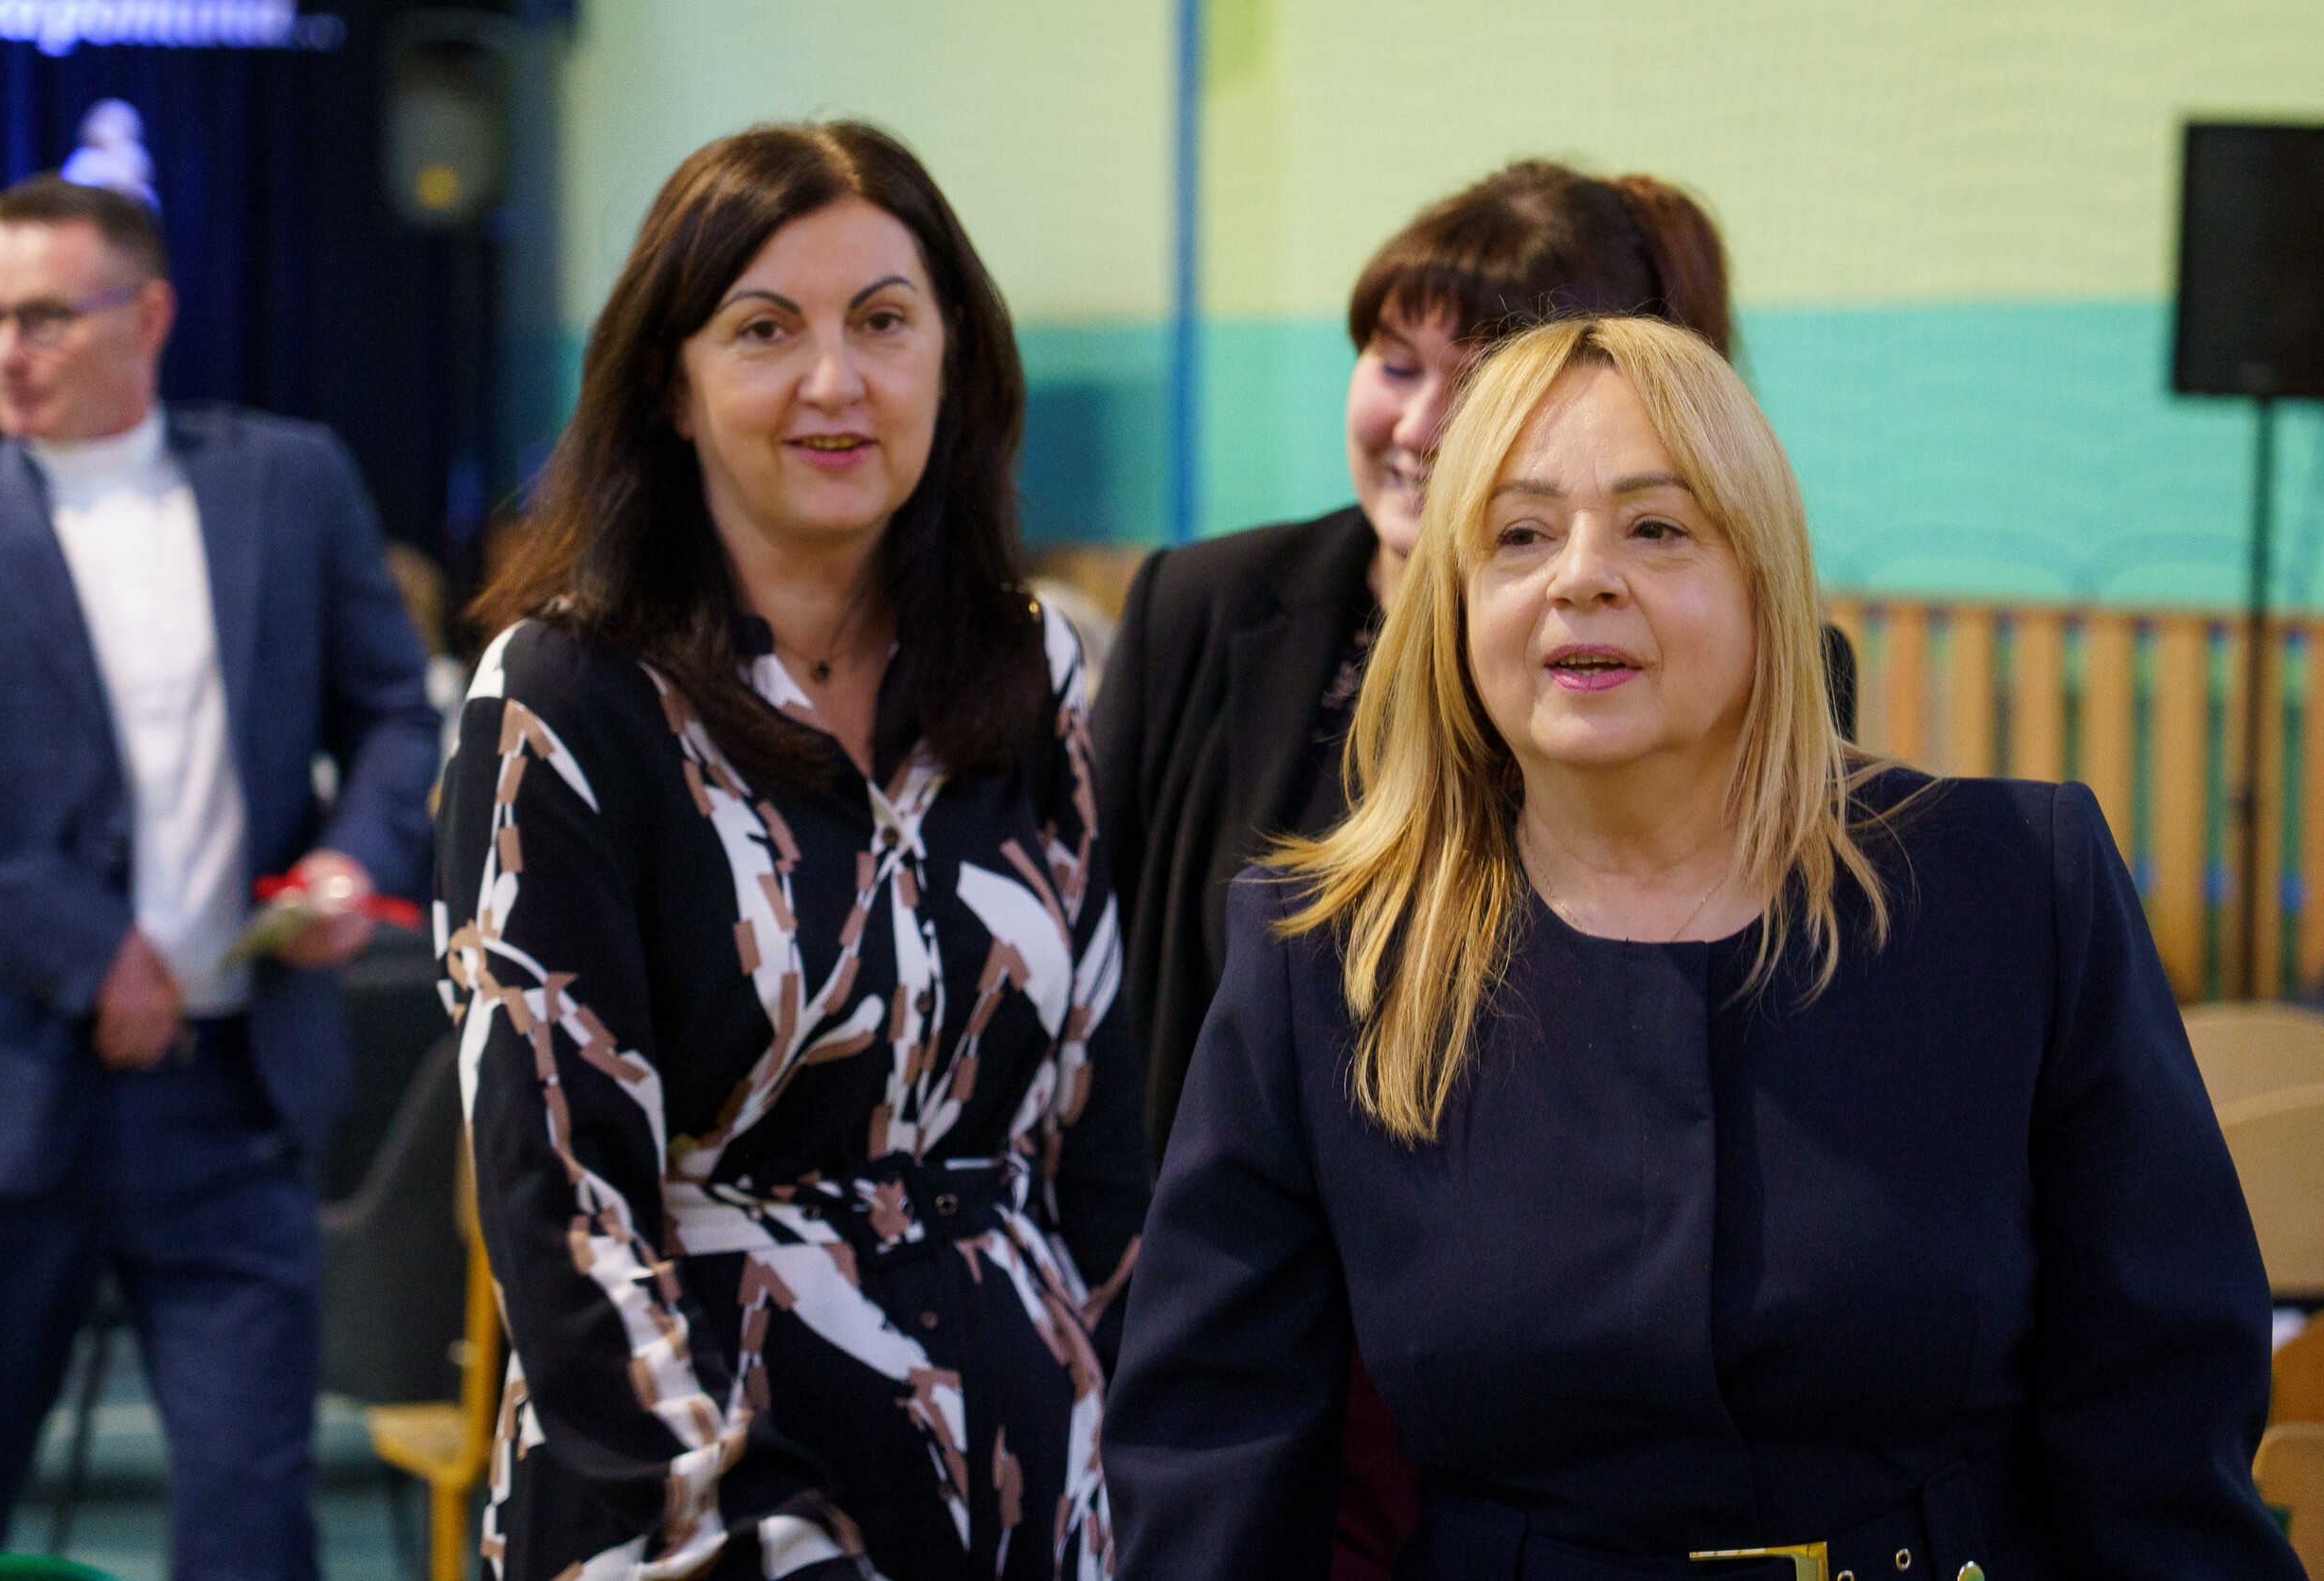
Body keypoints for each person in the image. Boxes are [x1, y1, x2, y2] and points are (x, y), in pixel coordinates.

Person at [1102, 314, 2299, 1581]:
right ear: (1452, 604)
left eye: (1656, 528)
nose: (1580, 577)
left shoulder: (2014, 892)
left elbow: (2160, 1427)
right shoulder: (1327, 962)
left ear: (1763, 581)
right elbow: (1213, 1468)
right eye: (1519, 535)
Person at [439, 121, 1146, 1581]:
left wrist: (1133, 1457)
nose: (836, 381)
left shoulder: (1034, 672)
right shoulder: (565, 698)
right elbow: (561, 1204)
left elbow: (1104, 1138)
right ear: (672, 385)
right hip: (684, 1510)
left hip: (1033, 1493)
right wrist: (755, 1543)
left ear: (953, 361)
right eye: (765, 330)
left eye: (883, 322)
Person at [1091, 158, 1738, 1577]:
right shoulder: (1202, 606)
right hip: (1228, 1325)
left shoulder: (1694, 660)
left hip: (1529, 1360)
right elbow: (1099, 976)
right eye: (1394, 364)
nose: (1420, 424)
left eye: (1480, 378)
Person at [0, 175, 439, 1575]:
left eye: (42, 317)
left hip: (233, 1095)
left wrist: (351, 860)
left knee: (253, 1519)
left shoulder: (287, 480)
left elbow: (396, 715)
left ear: (147, 316)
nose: (2, 350)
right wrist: (92, 955)